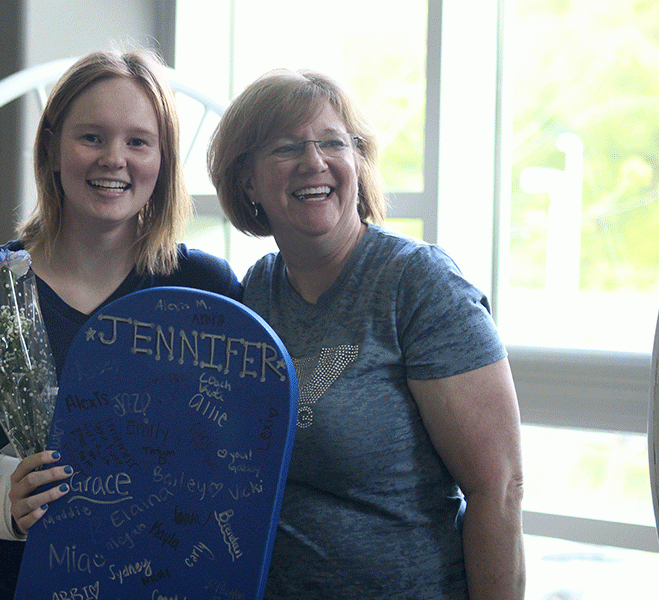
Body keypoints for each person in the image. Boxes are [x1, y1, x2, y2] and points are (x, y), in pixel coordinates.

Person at [0, 49, 241, 599]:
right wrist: (0, 505)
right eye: (91, 137)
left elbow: (243, 460)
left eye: (138, 141)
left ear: (164, 159)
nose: (114, 159)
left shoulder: (207, 294)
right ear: (50, 148)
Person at [207, 68, 525, 599]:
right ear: (247, 180)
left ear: (356, 162)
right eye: (286, 148)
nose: (315, 162)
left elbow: (499, 489)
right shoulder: (255, 294)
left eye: (333, 143)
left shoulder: (418, 283)